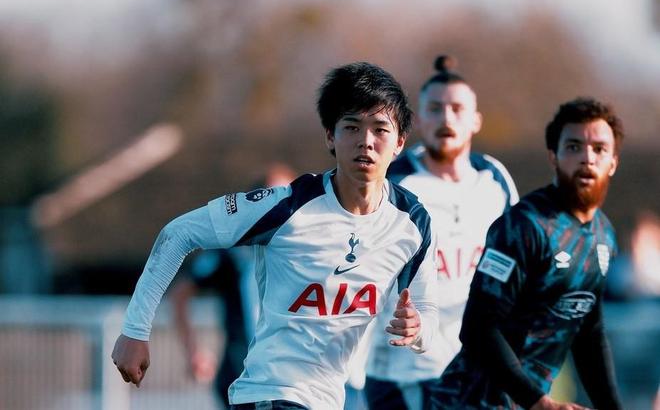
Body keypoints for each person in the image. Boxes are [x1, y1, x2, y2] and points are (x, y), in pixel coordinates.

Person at [111, 61, 440, 410]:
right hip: (272, 394)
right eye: (352, 127)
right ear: (330, 136)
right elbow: (179, 233)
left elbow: (427, 311)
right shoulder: (286, 207)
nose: (366, 142)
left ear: (400, 142)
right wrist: (135, 330)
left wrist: (417, 329)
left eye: (380, 129)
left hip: (338, 397)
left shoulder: (412, 223)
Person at [430, 97, 624, 409]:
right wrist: (538, 401)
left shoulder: (604, 234)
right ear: (553, 156)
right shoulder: (525, 226)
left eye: (599, 149)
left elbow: (589, 332)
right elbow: (479, 328)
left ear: (613, 162)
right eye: (574, 147)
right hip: (469, 402)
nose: (587, 158)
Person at [364, 55, 518, 410]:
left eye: (457, 109)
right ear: (417, 120)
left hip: (478, 366)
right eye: (435, 109)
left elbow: (516, 262)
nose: (447, 118)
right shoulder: (392, 182)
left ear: (475, 120)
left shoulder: (494, 178)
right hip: (406, 372)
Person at [170, 163, 296, 408]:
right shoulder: (233, 252)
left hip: (295, 375)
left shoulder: (310, 253)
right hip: (241, 372)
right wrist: (193, 350)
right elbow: (181, 293)